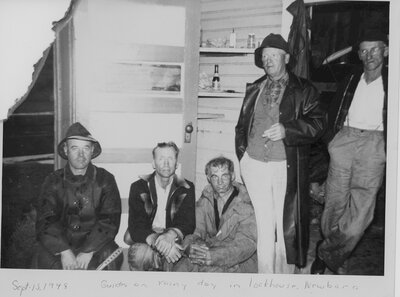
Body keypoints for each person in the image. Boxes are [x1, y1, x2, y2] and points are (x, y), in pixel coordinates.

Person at [235, 33, 326, 274]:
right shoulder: (255, 88)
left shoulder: (304, 89)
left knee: (286, 226)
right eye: (264, 56)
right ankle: (266, 279)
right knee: (264, 225)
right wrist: (243, 156)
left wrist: (289, 130)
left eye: (273, 55)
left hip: (284, 165)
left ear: (285, 57)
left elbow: (318, 124)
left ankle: (285, 282)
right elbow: (242, 126)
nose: (268, 60)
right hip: (254, 164)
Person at [311, 29, 388, 275]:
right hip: (345, 138)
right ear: (359, 54)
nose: (369, 55)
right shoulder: (352, 78)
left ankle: (326, 252)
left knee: (361, 216)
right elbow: (332, 111)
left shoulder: (393, 81)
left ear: (385, 50)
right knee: (333, 203)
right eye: (364, 50)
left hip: (375, 144)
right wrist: (332, 141)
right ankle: (338, 258)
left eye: (374, 49)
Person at [35, 122, 122, 270]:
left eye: (86, 148)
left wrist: (88, 250)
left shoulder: (105, 179)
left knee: (112, 255)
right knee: (41, 257)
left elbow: (110, 220)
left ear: (92, 150)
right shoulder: (52, 181)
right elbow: (45, 220)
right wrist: (64, 250)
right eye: (75, 148)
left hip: (95, 248)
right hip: (61, 248)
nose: (81, 155)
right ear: (66, 150)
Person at [173, 156, 257, 273]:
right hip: (208, 251)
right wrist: (190, 248)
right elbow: (195, 231)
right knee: (180, 268)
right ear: (208, 178)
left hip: (237, 260)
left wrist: (213, 256)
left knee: (209, 274)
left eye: (225, 176)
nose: (220, 182)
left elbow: (246, 244)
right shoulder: (206, 199)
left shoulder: (246, 203)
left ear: (232, 176)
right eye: (215, 177)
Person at [124, 141, 195, 271]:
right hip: (149, 235)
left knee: (187, 260)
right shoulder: (138, 187)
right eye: (161, 158)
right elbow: (136, 225)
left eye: (170, 158)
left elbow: (188, 223)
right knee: (139, 256)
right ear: (153, 163)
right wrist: (161, 243)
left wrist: (170, 235)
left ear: (176, 164)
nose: (166, 163)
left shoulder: (186, 188)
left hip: (174, 236)